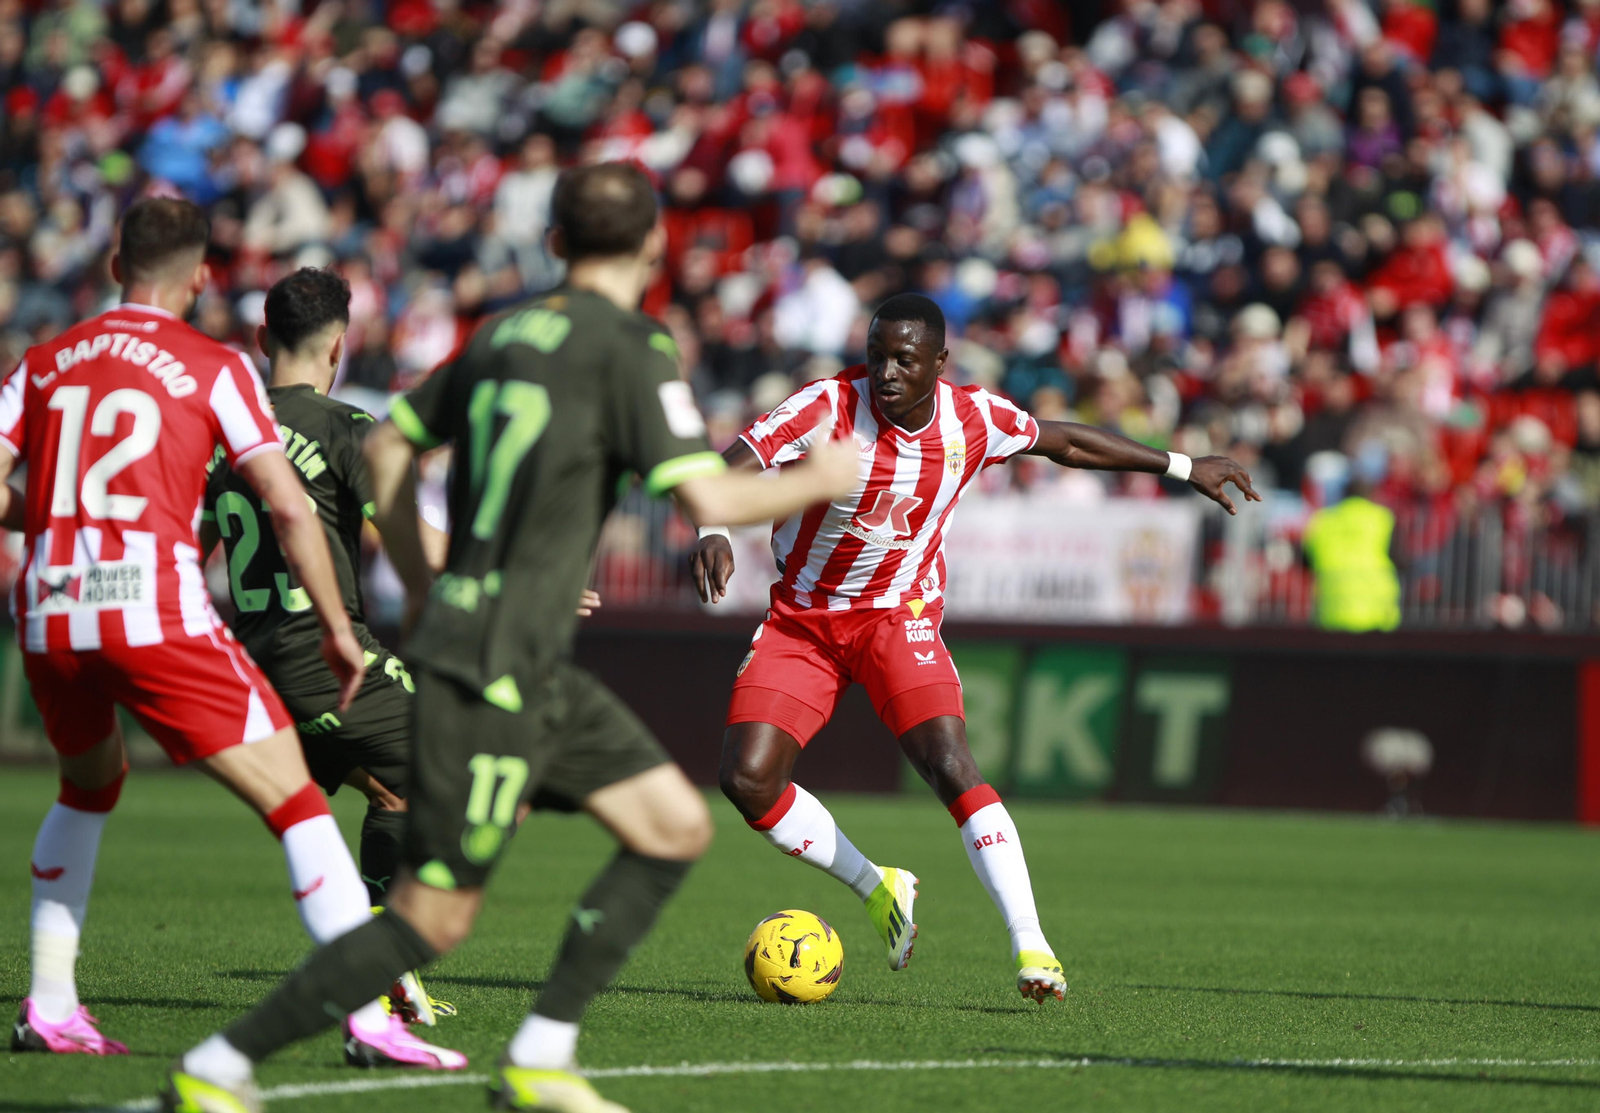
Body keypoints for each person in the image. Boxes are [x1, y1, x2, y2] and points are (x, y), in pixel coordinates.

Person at [165, 161, 858, 1113]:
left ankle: (538, 1054)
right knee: (434, 912)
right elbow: (708, 494)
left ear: (556, 243)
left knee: (672, 825)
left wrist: (424, 585)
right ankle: (222, 1063)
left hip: (493, 651)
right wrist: (821, 476)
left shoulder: (499, 335)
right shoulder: (631, 343)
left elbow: (394, 445)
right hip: (502, 663)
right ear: (655, 246)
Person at [692, 294, 1259, 1002]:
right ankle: (877, 884)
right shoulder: (826, 406)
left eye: (904, 359)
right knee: (747, 780)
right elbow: (725, 468)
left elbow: (1065, 442)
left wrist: (1180, 465)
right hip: (803, 619)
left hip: (898, 615)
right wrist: (711, 527)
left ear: (939, 362)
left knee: (949, 761)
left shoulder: (972, 419)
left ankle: (1032, 944)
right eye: (876, 356)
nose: (886, 372)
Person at [3, 198, 435, 1068]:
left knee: (88, 787)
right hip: (153, 609)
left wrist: (55, 515)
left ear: (116, 263)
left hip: (50, 606)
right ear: (200, 277)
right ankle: (369, 1013)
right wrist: (338, 627)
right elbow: (288, 504)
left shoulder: (44, 361)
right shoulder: (214, 366)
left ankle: (49, 1003)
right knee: (300, 805)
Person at [199, 266, 451, 1039]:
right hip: (325, 652)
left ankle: (376, 960)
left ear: (260, 337)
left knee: (391, 794)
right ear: (340, 346)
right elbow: (412, 541)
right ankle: (374, 954)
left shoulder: (222, 435)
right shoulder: (347, 427)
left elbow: (185, 546)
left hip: (251, 663)